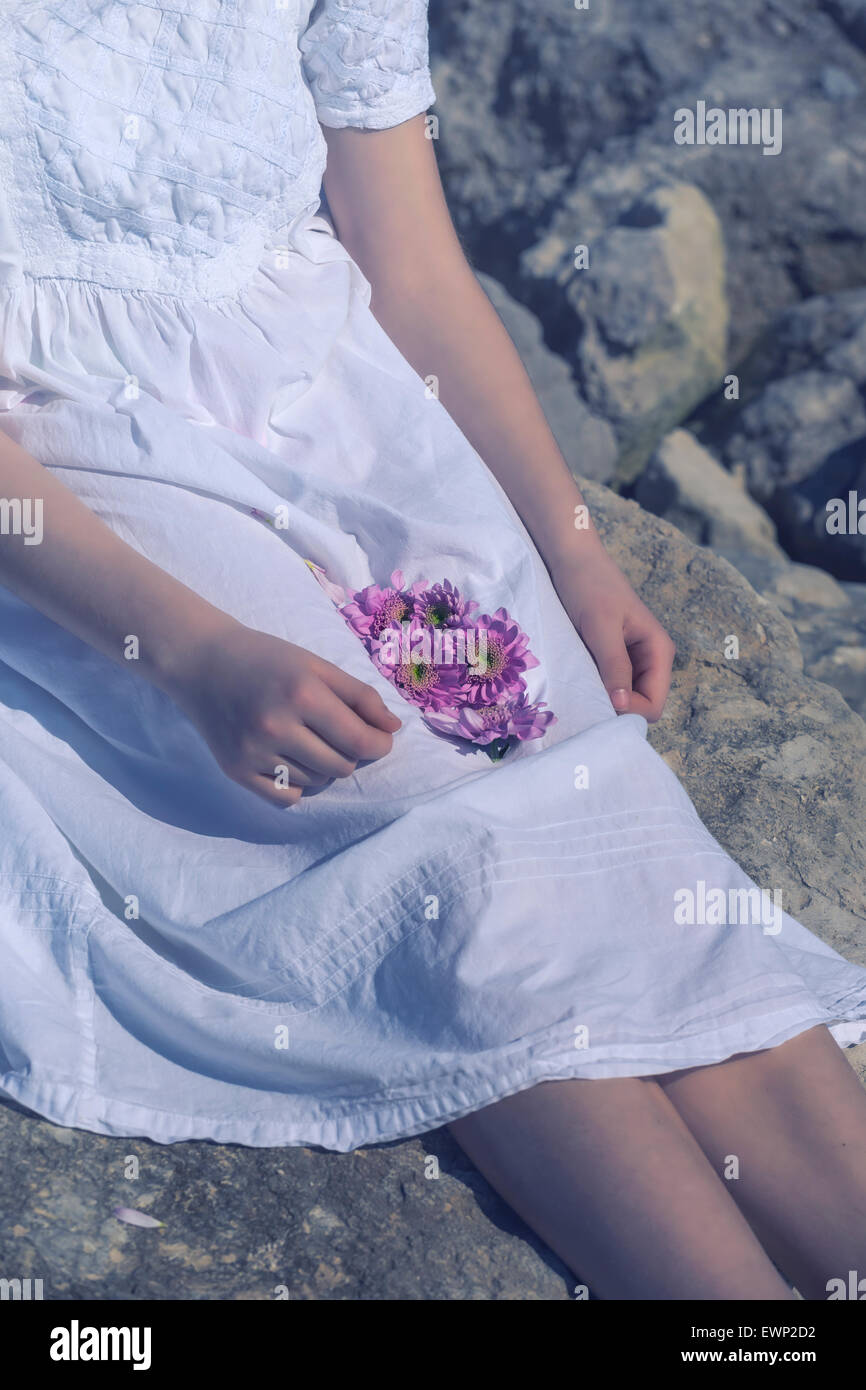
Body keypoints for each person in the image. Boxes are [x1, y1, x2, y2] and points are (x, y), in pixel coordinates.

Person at [0, 0, 864, 1300]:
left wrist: (570, 548)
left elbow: (408, 259)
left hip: (342, 416)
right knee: (434, 823)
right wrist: (184, 655)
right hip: (81, 463)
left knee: (595, 785)